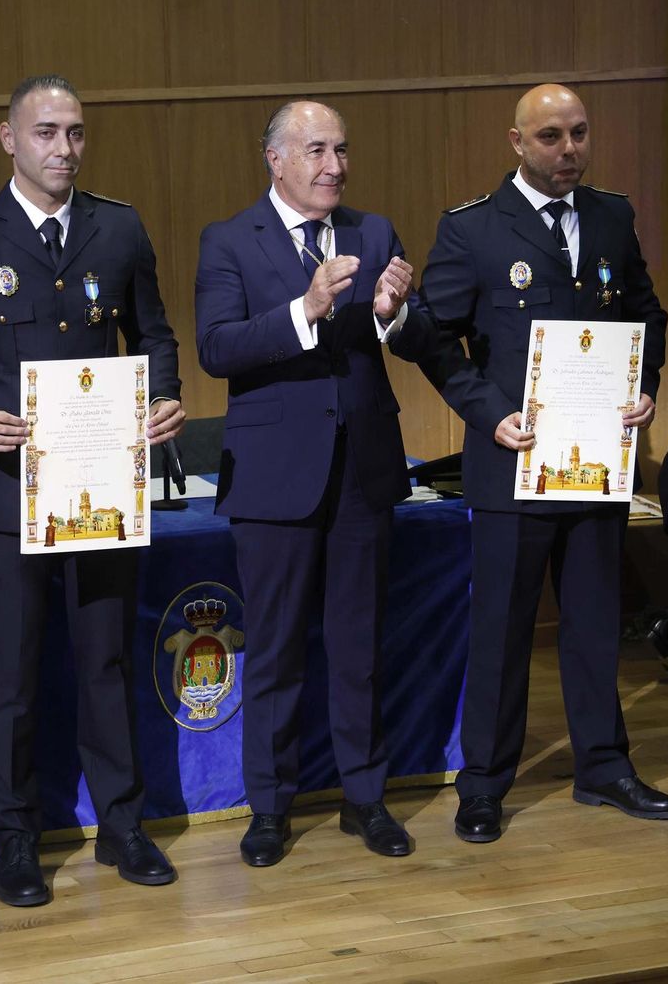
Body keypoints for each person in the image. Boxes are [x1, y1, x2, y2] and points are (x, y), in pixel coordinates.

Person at [0, 75, 185, 906]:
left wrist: (163, 396)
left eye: (76, 134)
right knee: (12, 675)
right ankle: (14, 842)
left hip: (103, 488)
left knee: (105, 661)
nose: (64, 149)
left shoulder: (118, 226)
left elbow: (156, 334)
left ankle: (123, 828)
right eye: (47, 133)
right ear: (9, 140)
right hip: (7, 490)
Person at [416, 84, 668, 844]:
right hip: (514, 463)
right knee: (501, 629)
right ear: (518, 142)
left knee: (596, 620)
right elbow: (433, 336)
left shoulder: (611, 215)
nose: (570, 150)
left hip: (595, 460)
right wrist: (486, 411)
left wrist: (645, 384)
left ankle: (604, 766)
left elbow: (645, 313)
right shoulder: (472, 229)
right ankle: (486, 783)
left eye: (580, 134)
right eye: (553, 137)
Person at [193, 100, 432, 867]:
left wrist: (394, 313)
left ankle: (366, 798)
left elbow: (414, 334)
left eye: (341, 150)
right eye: (317, 151)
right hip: (273, 479)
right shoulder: (229, 240)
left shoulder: (374, 231)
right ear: (276, 158)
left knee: (359, 645)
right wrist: (307, 308)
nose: (335, 166)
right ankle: (269, 808)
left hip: (362, 470)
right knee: (274, 650)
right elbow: (217, 348)